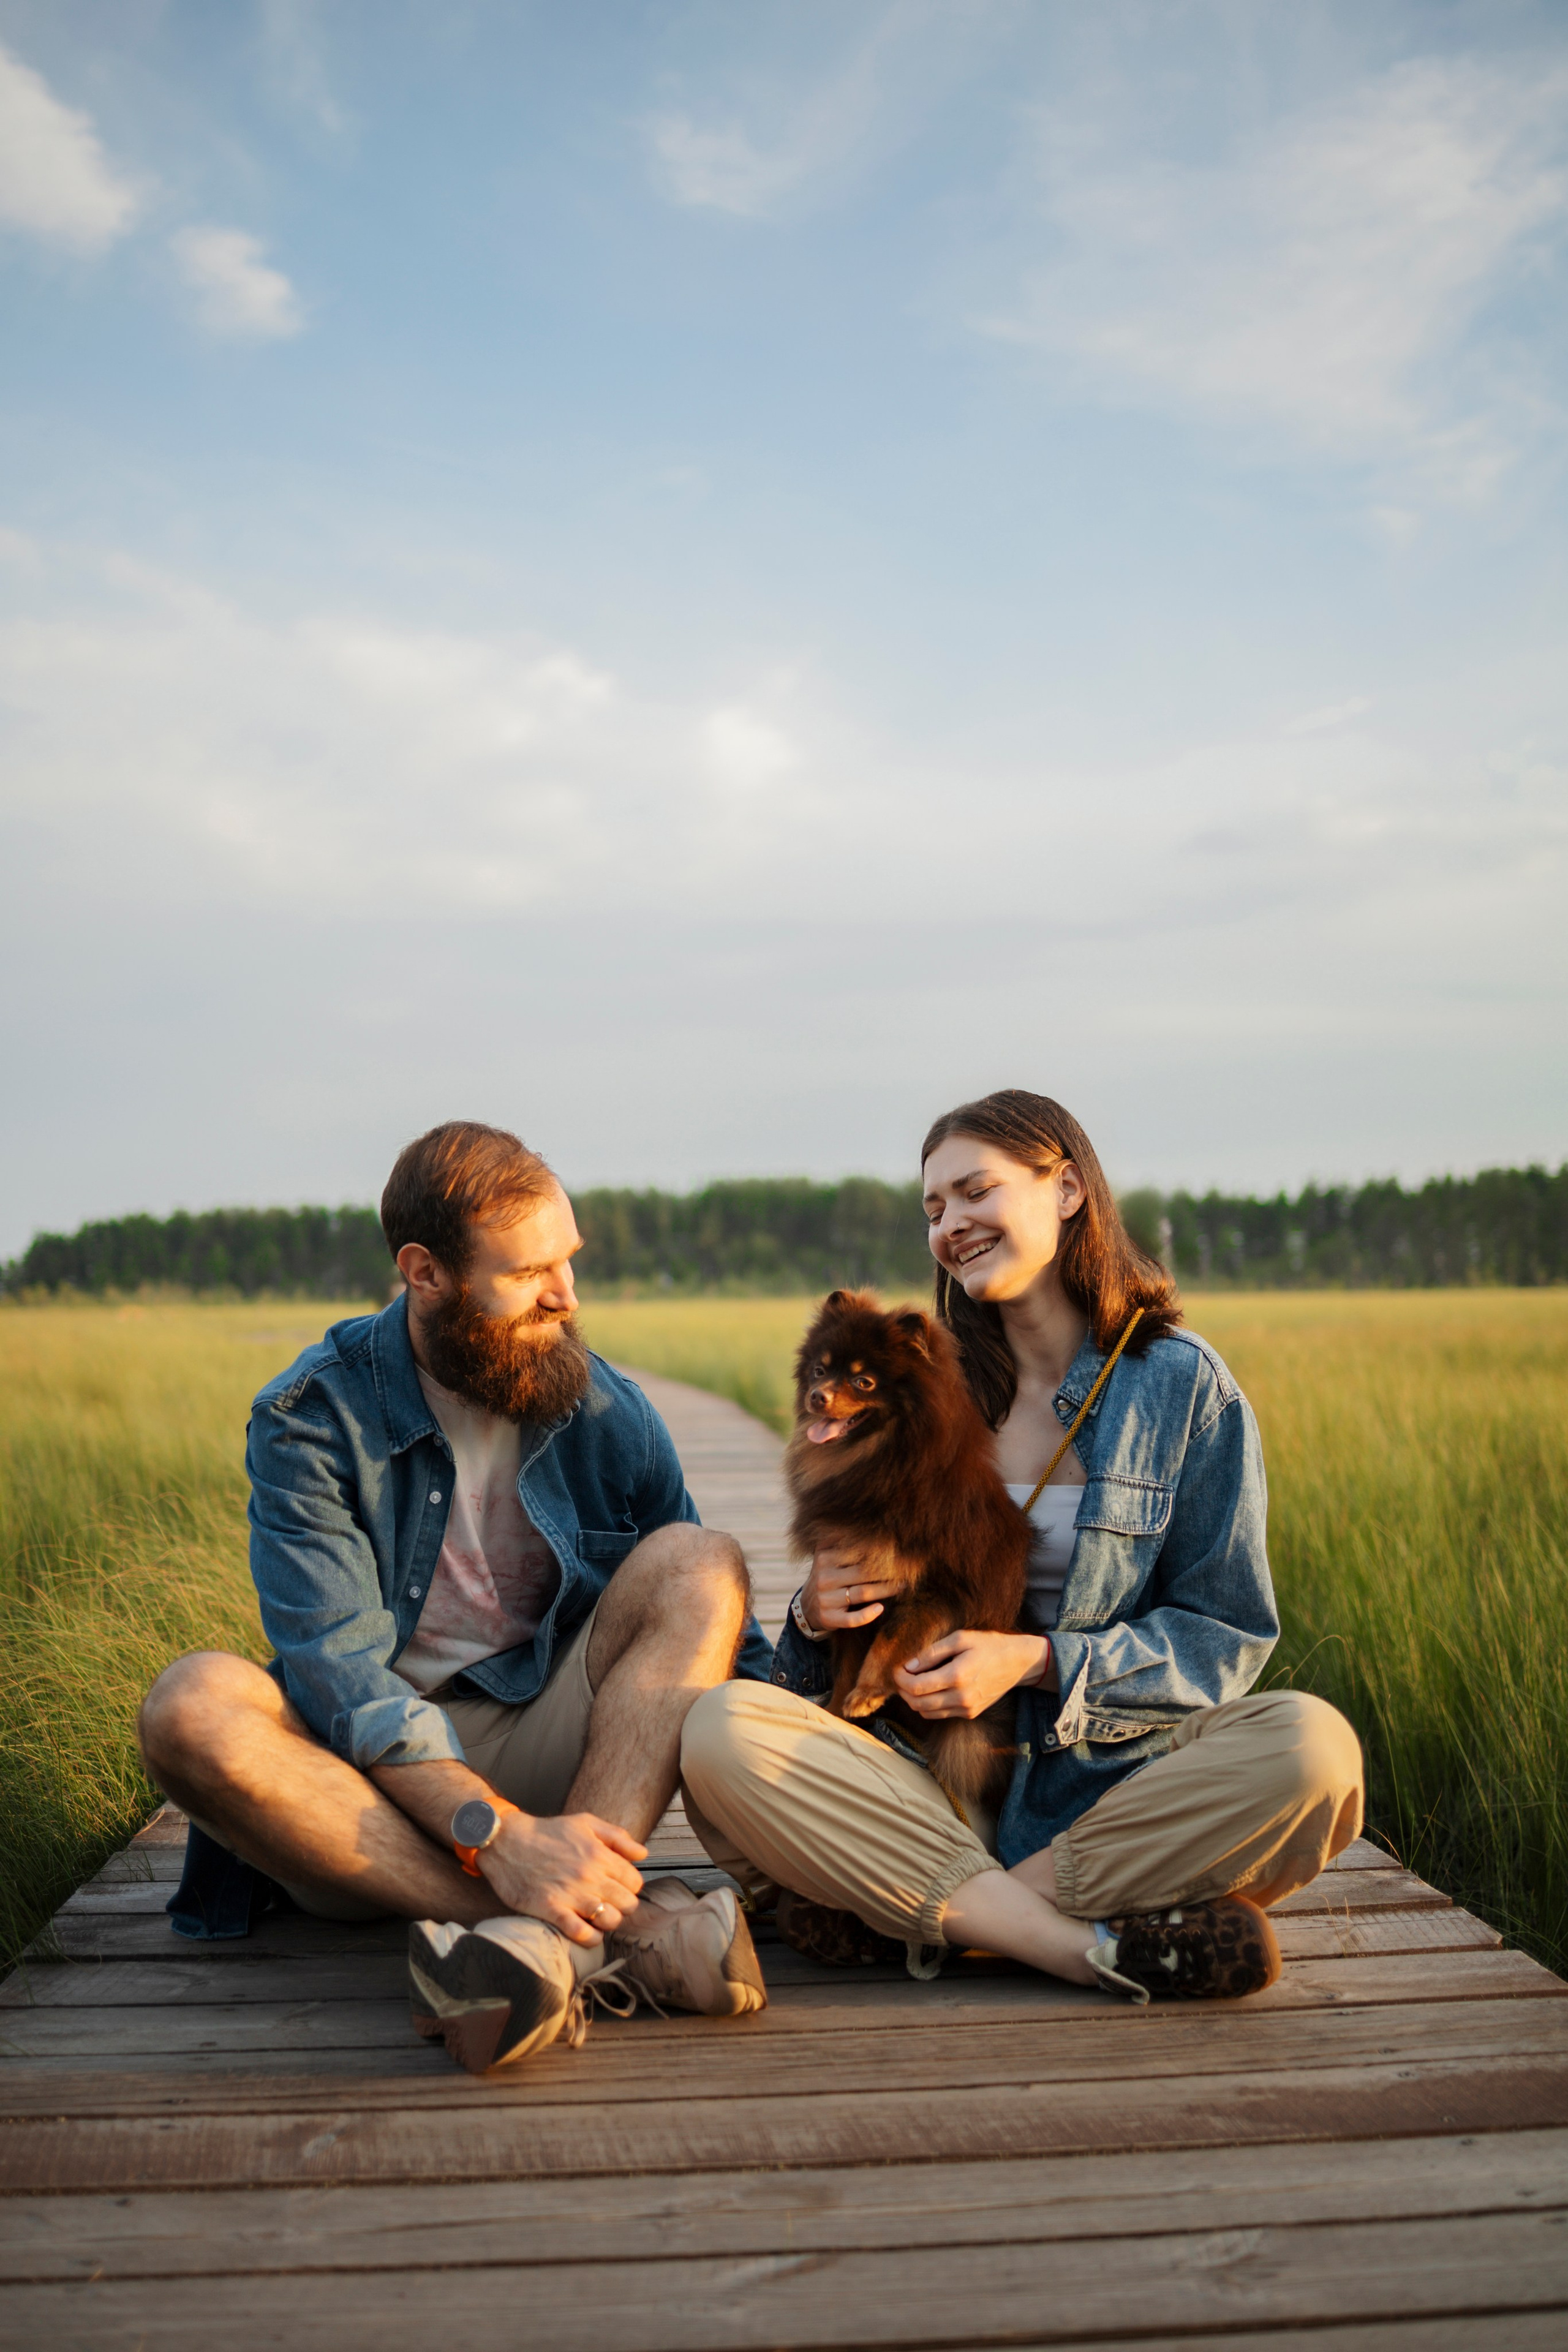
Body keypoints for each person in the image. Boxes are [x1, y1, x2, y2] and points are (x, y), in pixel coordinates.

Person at [681, 1089, 1365, 2003]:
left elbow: (1224, 1634)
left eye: (973, 1192)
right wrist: (814, 1611)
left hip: (1112, 1781)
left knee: (1314, 1750)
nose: (951, 1225)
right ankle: (1075, 1941)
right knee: (721, 1735)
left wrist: (1039, 1660)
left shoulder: (1181, 1386)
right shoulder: (916, 1380)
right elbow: (825, 1672)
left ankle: (946, 1917)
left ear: (1069, 1188)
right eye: (933, 1209)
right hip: (927, 1775)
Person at [138, 1120, 773, 2071]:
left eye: (570, 1262)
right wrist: (497, 1838)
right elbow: (342, 1677)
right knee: (187, 1709)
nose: (567, 1296)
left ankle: (536, 1945)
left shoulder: (609, 1412)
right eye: (528, 1276)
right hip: (367, 1800)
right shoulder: (309, 1421)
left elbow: (734, 1650)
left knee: (701, 1562)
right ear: (425, 1273)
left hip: (564, 1759)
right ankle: (605, 1928)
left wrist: (823, 1792)